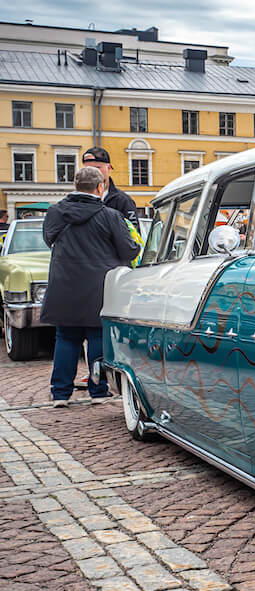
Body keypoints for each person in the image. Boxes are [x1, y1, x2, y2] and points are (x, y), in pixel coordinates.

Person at [41, 166, 140, 407]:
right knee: (97, 335)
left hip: (64, 284)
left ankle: (61, 393)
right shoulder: (110, 215)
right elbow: (129, 249)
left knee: (65, 337)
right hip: (99, 286)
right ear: (100, 187)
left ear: (75, 186)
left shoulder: (55, 212)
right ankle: (98, 390)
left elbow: (48, 239)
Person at [81, 147, 137, 222]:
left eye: (97, 168)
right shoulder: (76, 200)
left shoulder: (123, 201)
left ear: (109, 168)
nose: (92, 172)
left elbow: (133, 231)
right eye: (88, 169)